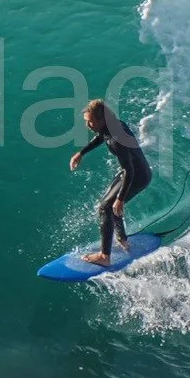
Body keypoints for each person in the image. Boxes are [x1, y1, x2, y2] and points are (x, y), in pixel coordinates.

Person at [68, 98, 152, 266]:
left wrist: (120, 199)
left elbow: (130, 170)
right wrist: (81, 153)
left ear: (101, 120)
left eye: (90, 122)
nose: (88, 125)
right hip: (131, 171)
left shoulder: (117, 138)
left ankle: (105, 257)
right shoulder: (111, 124)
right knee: (107, 205)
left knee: (106, 207)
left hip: (137, 176)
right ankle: (122, 239)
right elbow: (101, 136)